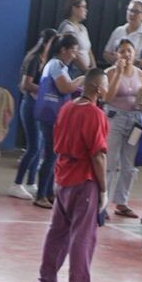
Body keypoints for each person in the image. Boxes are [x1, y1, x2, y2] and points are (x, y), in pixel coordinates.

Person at [34, 67, 108, 282]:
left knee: (57, 232)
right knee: (83, 236)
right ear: (97, 88)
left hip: (63, 177)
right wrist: (104, 189)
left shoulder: (66, 108)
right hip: (83, 180)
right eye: (105, 85)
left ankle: (46, 280)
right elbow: (98, 155)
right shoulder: (95, 115)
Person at [33, 29, 82, 207]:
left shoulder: (61, 67)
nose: (75, 55)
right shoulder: (56, 65)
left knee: (55, 154)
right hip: (50, 115)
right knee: (51, 155)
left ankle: (48, 192)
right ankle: (40, 195)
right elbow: (65, 88)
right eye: (73, 50)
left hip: (55, 116)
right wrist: (82, 80)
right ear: (63, 50)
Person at [9, 26, 56, 200]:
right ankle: (17, 183)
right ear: (47, 42)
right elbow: (26, 84)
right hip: (30, 105)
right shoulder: (35, 59)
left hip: (38, 104)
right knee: (34, 147)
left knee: (41, 146)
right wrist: (48, 90)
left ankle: (30, 182)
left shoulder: (45, 60)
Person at [104, 37, 142, 216]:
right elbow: (107, 98)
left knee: (129, 163)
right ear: (116, 54)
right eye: (122, 51)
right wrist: (118, 72)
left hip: (135, 120)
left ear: (135, 53)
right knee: (110, 161)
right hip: (115, 117)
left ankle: (122, 201)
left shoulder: (141, 74)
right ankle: (103, 203)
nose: (126, 55)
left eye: (129, 51)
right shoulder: (110, 72)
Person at [103, 0, 142, 74]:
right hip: (116, 73)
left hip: (136, 75)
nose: (132, 14)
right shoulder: (118, 30)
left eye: (136, 11)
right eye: (130, 10)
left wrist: (133, 61)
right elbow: (106, 53)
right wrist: (118, 60)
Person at [57, 0, 93, 73]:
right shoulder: (67, 27)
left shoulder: (83, 28)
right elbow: (72, 52)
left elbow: (88, 50)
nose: (86, 10)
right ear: (74, 8)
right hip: (73, 70)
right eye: (83, 7)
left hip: (85, 71)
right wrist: (86, 70)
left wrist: (93, 67)